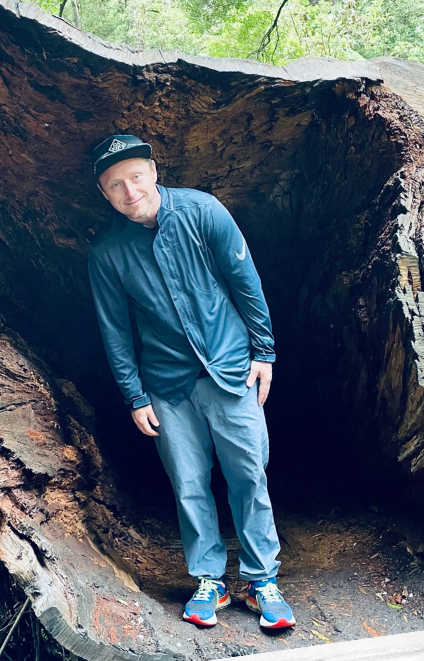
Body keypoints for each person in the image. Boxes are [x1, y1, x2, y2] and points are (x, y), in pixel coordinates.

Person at [84, 133, 296, 633]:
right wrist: (135, 396)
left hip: (229, 367)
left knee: (249, 474)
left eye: (136, 176)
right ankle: (209, 578)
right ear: (104, 194)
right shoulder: (107, 252)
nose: (129, 190)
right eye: (116, 184)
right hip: (167, 382)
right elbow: (114, 331)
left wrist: (264, 351)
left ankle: (263, 579)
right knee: (189, 483)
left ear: (154, 171)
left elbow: (246, 281)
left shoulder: (203, 212)